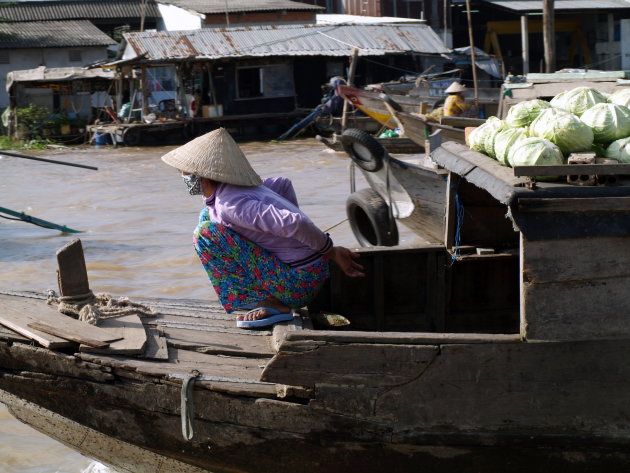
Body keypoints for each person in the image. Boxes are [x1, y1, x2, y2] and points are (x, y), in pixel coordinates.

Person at [161, 128, 365, 329]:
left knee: (205, 234)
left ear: (201, 176)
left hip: (298, 285)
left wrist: (331, 251)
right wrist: (290, 244)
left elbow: (296, 223)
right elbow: (284, 184)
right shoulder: (246, 187)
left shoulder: (229, 205)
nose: (183, 177)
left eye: (185, 173)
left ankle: (268, 301)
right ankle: (276, 287)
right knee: (206, 216)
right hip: (309, 271)